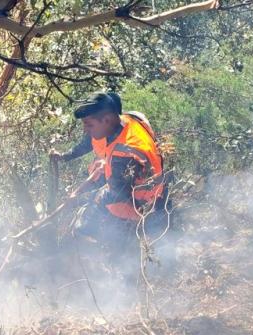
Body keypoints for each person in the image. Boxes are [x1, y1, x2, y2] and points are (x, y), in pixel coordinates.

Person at [54, 92, 169, 247]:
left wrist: (77, 199)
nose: (86, 130)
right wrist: (65, 156)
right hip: (128, 180)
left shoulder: (125, 154)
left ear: (107, 120)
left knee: (97, 220)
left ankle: (98, 242)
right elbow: (90, 141)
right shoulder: (128, 119)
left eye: (89, 124)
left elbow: (114, 194)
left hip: (142, 202)